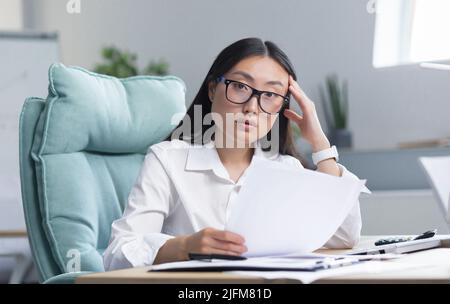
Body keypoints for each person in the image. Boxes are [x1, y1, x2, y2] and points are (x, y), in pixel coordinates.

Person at [103, 37, 367, 270]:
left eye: (271, 94)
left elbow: (344, 236)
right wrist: (183, 247)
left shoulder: (286, 169)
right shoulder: (168, 159)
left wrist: (320, 144)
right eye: (240, 86)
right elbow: (118, 253)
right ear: (212, 89)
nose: (252, 107)